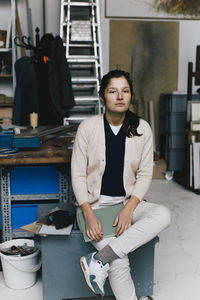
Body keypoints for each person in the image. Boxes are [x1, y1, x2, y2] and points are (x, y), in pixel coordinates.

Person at [71, 69, 171, 300]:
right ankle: (107, 263)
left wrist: (130, 208)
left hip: (127, 202)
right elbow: (77, 175)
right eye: (112, 91)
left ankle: (96, 261)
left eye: (125, 91)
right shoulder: (87, 128)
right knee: (118, 259)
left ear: (130, 95)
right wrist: (88, 213)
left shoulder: (142, 128)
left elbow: (146, 173)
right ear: (102, 96)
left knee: (163, 214)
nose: (119, 96)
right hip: (95, 206)